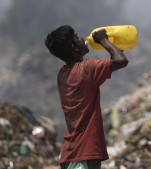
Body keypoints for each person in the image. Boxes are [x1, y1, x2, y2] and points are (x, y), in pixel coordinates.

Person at [44, 25, 128, 169]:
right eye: (77, 37)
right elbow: (121, 60)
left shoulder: (62, 74)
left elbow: (116, 58)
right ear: (74, 47)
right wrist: (103, 40)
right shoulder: (86, 69)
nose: (82, 38)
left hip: (71, 153)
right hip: (84, 154)